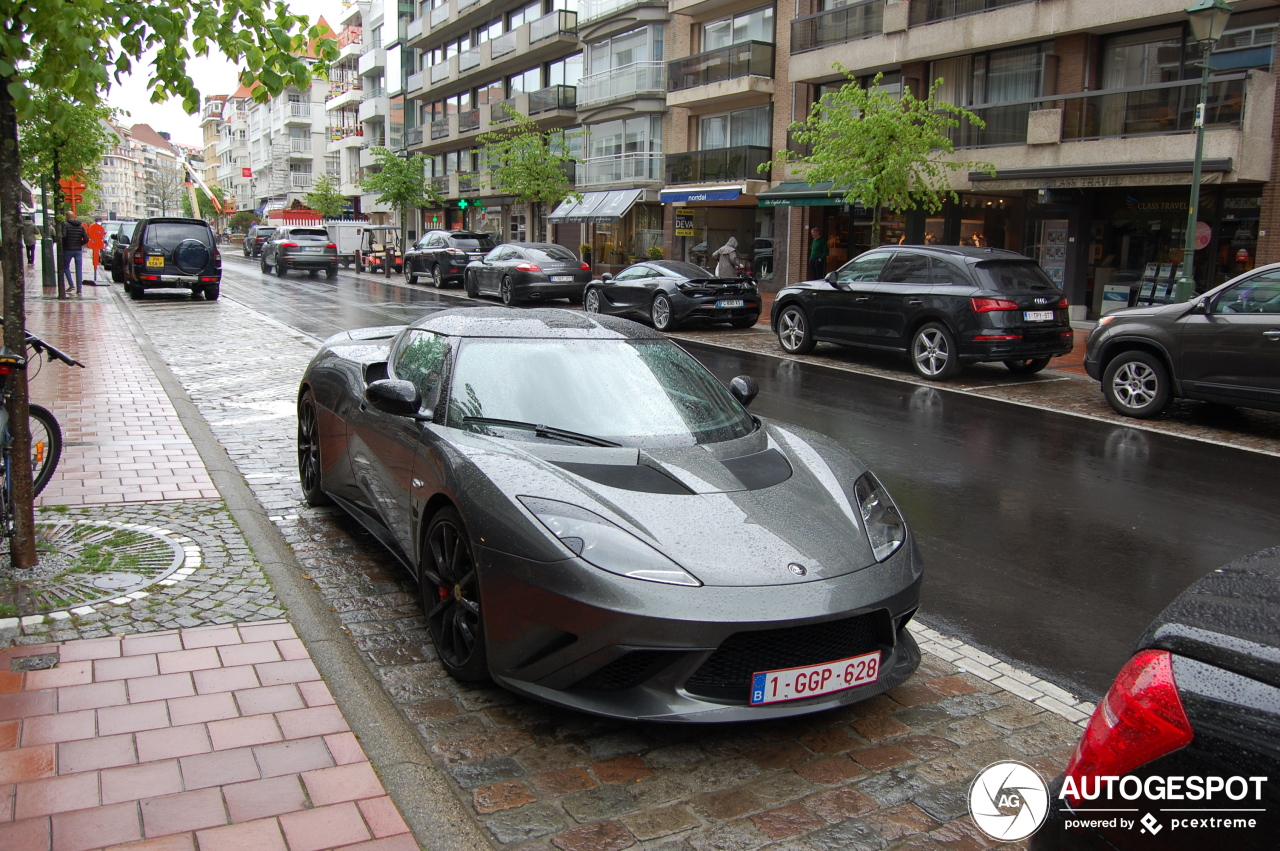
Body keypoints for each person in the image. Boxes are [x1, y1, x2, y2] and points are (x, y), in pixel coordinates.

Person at [60, 212, 89, 295]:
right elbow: (86, 238)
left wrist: (65, 244)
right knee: (79, 269)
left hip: (68, 249)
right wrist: (80, 243)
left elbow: (64, 236)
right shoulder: (81, 226)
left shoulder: (65, 225)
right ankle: (79, 289)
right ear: (74, 216)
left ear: (67, 217)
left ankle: (71, 284)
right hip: (78, 250)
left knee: (65, 267)